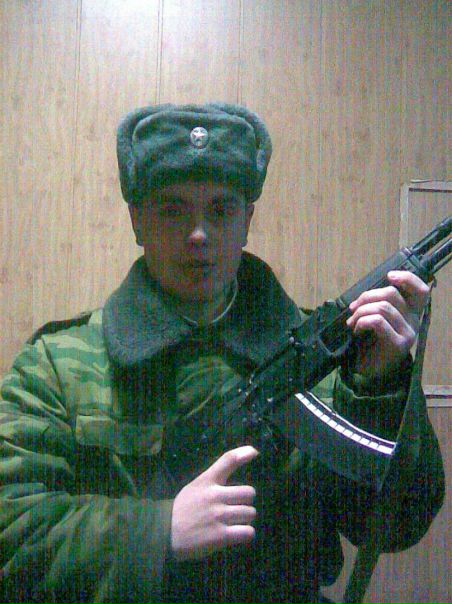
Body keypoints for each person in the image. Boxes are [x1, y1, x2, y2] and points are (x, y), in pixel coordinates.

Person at [0, 103, 444, 604]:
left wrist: (379, 387)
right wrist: (158, 531)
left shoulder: (320, 364)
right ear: (136, 221)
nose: (199, 234)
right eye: (173, 209)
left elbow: (397, 526)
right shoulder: (58, 365)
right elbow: (10, 529)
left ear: (247, 219)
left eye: (221, 209)